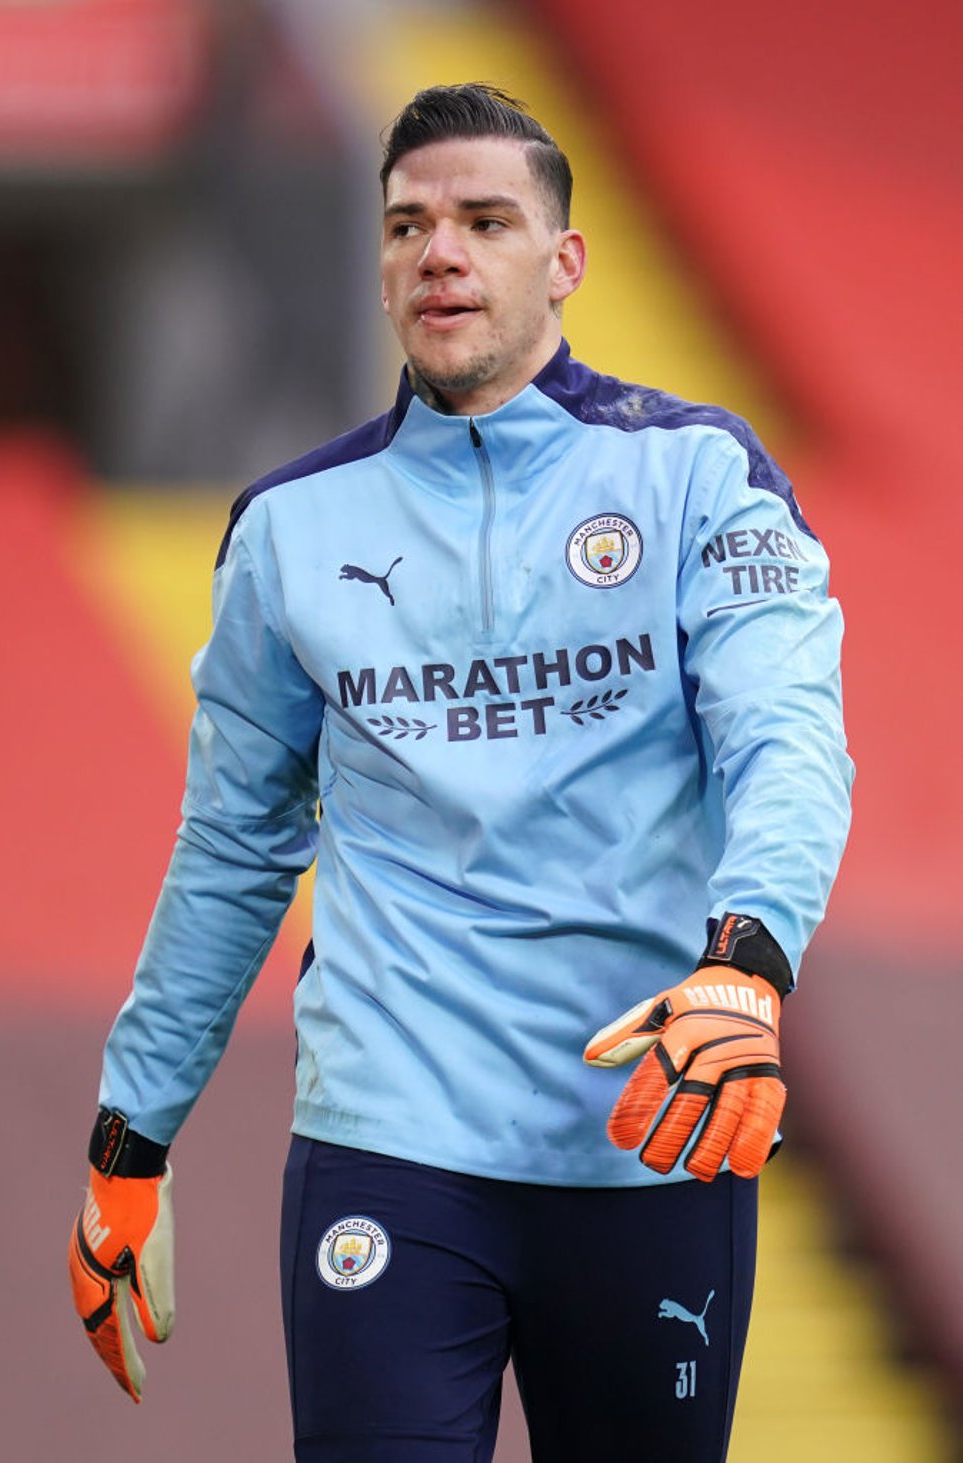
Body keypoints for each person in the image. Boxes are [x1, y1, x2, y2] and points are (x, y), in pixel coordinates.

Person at [69, 83, 853, 1461]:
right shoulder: (288, 533)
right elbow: (230, 852)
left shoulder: (698, 479)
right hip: (391, 1137)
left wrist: (749, 959)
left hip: (646, 1131)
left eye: (486, 220)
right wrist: (132, 1137)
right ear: (377, 263)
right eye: (408, 223)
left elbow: (786, 737)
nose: (441, 250)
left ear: (565, 262)